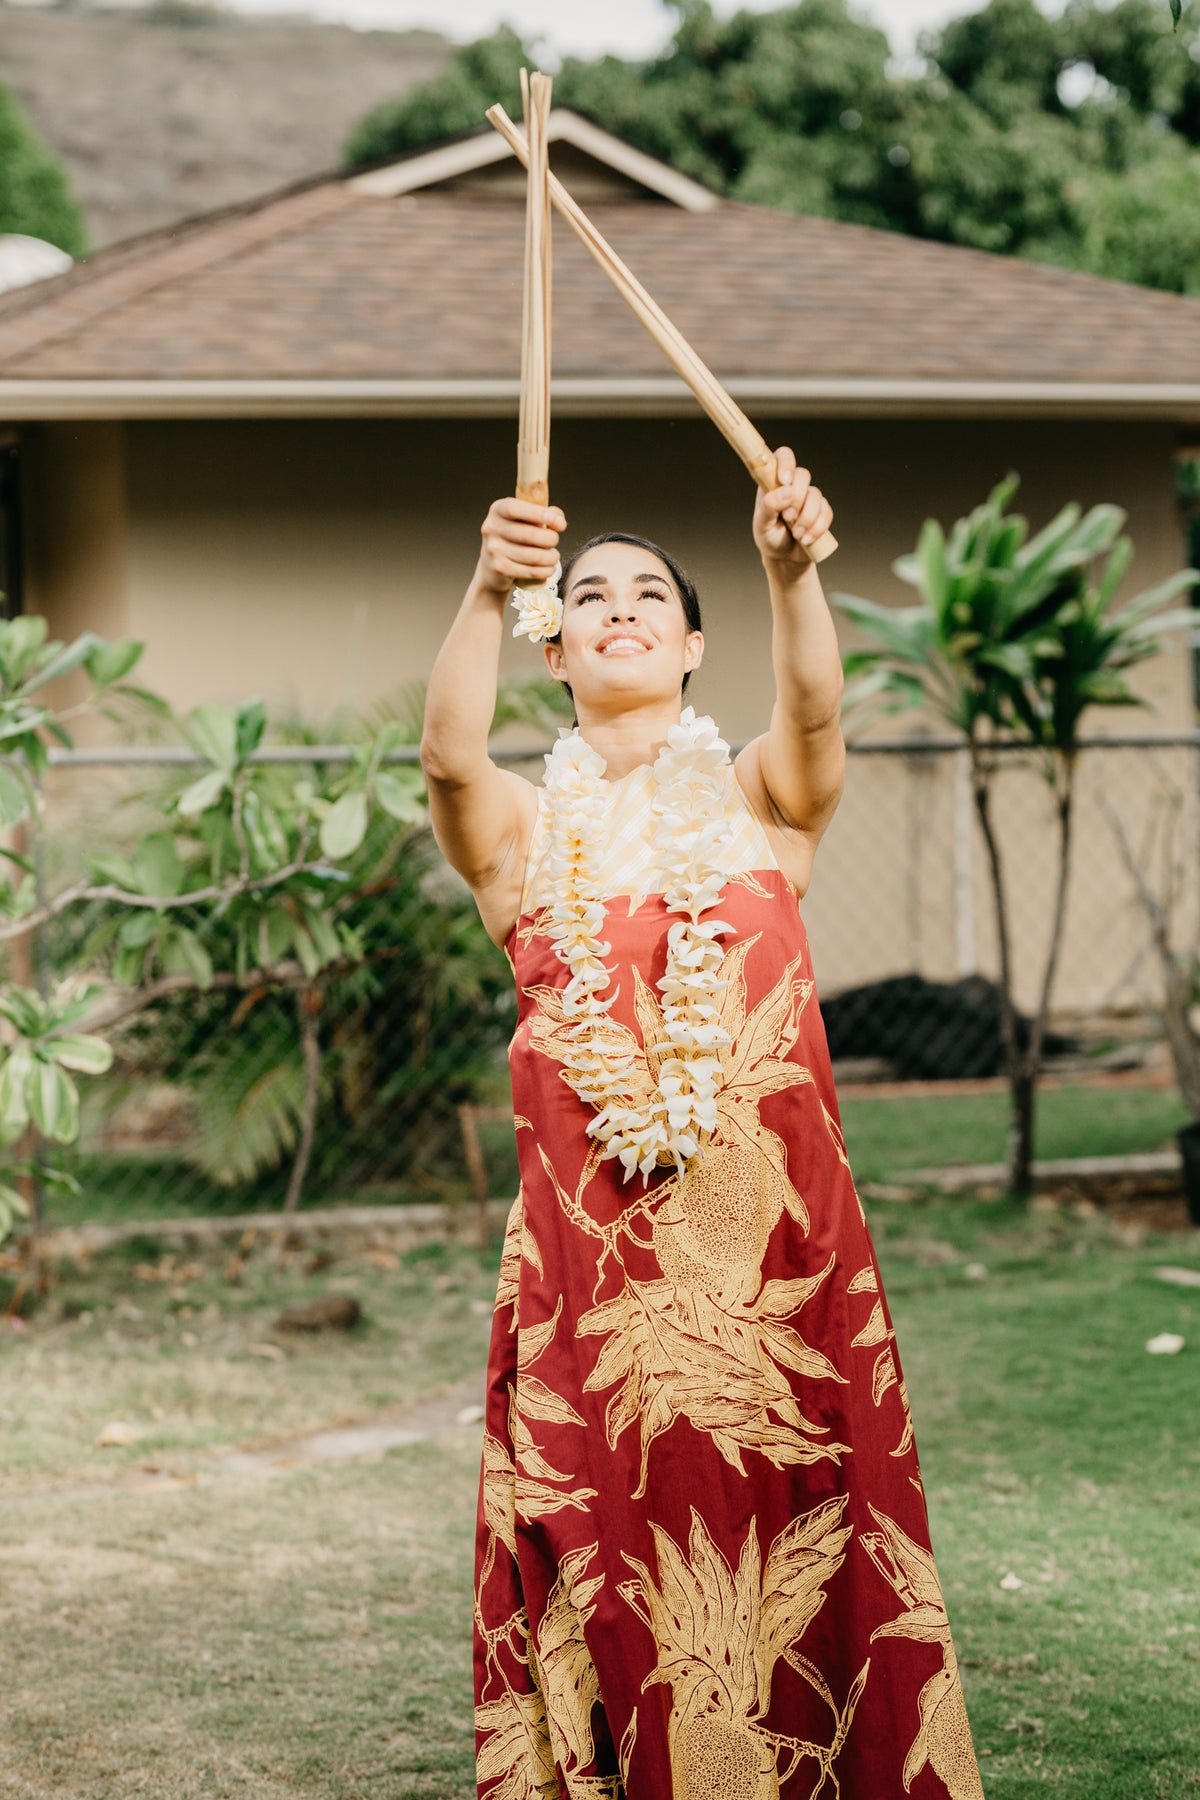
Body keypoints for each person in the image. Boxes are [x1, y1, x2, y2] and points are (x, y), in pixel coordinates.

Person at [420, 448, 983, 1800]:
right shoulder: (522, 834)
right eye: (588, 595)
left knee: (800, 1530)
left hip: (779, 1263)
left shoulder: (756, 803)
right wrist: (487, 590)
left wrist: (792, 571)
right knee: (616, 1543)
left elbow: (816, 703)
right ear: (555, 650)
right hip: (596, 1279)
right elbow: (447, 754)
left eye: (650, 596)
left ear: (692, 647)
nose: (618, 607)